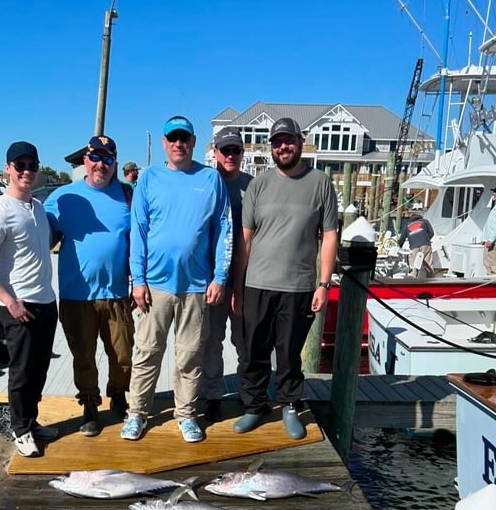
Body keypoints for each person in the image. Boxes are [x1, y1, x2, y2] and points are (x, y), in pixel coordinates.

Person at [121, 115, 232, 444]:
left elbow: (223, 229)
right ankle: (137, 413)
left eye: (184, 138)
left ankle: (186, 414)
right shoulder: (149, 178)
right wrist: (137, 280)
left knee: (189, 356)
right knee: (146, 352)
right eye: (172, 138)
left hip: (196, 286)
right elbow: (137, 232)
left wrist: (220, 276)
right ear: (165, 142)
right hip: (154, 286)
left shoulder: (210, 179)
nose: (178, 143)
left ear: (194, 142)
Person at [232, 116, 338, 440]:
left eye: (288, 140)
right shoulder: (258, 185)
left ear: (300, 141)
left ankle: (290, 404)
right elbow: (245, 240)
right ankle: (254, 406)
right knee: (253, 351)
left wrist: (324, 283)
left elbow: (330, 235)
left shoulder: (320, 183)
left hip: (299, 286)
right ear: (271, 146)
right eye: (277, 142)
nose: (283, 146)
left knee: (290, 352)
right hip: (257, 284)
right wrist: (237, 287)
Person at [43, 135, 134, 437]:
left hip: (118, 293)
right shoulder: (63, 198)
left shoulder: (127, 195)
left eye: (108, 159)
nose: (101, 165)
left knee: (121, 354)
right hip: (76, 294)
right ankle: (90, 404)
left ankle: (118, 395)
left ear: (115, 164)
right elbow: (41, 239)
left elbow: (139, 241)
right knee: (83, 355)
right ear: (85, 161)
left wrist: (139, 280)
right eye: (95, 158)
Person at [0, 141, 58, 458]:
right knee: (22, 372)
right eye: (19, 166)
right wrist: (9, 301)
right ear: (8, 169)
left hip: (47, 303)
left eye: (32, 166)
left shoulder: (37, 207)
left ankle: (31, 421)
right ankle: (20, 429)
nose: (27, 172)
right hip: (19, 307)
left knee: (39, 370)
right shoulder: (0, 212)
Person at [201, 127, 253, 423]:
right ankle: (212, 396)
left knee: (244, 340)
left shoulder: (254, 187)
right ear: (215, 153)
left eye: (236, 150)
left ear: (242, 153)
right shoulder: (206, 183)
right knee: (211, 340)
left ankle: (249, 392)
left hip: (246, 277)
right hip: (212, 278)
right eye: (225, 150)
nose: (230, 155)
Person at [398, 211, 435, 276]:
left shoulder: (407, 224)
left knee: (413, 266)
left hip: (414, 247)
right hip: (426, 245)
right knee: (429, 265)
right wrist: (426, 240)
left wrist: (399, 246)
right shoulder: (425, 221)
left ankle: (413, 281)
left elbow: (402, 238)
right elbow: (431, 233)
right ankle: (431, 280)